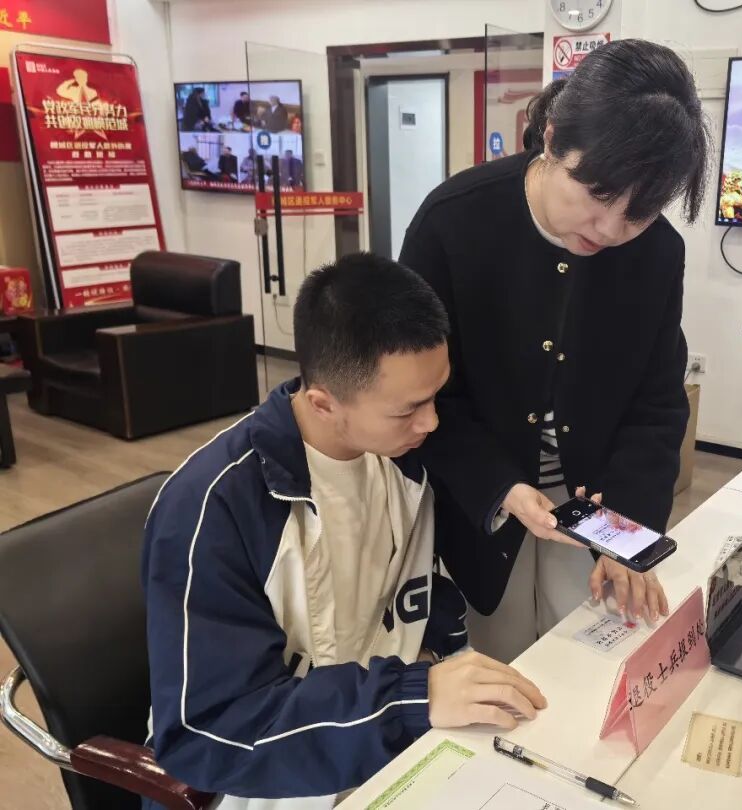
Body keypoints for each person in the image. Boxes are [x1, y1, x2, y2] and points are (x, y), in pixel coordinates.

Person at [142, 254, 546, 809]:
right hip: (272, 786)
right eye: (409, 409)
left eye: (437, 395)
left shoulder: (405, 455)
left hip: (396, 748)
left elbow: (424, 597)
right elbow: (207, 733)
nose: (432, 421)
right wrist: (408, 700)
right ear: (323, 403)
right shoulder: (215, 508)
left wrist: (433, 669)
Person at [400, 39, 710, 663]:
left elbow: (656, 403)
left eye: (641, 211)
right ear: (550, 138)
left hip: (595, 506)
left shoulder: (657, 253)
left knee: (591, 660)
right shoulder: (454, 222)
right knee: (500, 659)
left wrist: (629, 532)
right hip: (482, 499)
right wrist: (502, 488)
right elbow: (423, 396)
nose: (610, 229)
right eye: (597, 193)